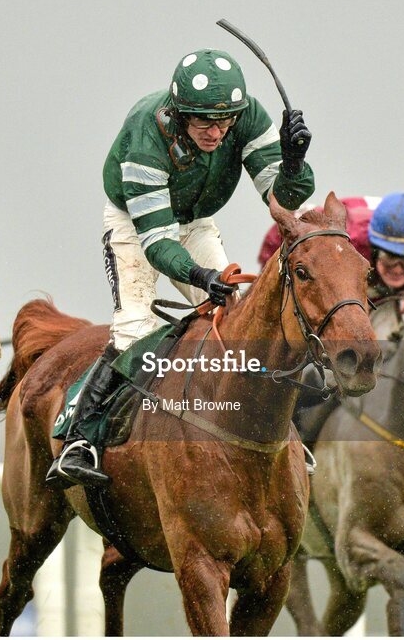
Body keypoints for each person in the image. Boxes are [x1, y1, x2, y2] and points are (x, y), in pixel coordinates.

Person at [48, 49, 315, 489]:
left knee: (240, 321)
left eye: (225, 121)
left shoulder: (245, 118)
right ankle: (82, 438)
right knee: (137, 327)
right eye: (203, 122)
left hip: (194, 221)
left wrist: (292, 164)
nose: (216, 132)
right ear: (178, 113)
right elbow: (156, 242)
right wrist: (201, 277)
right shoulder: (145, 134)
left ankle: (280, 435)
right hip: (138, 225)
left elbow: (284, 204)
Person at [258, 192, 404, 301]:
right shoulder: (349, 240)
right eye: (391, 257)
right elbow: (282, 231)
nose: (397, 268)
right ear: (374, 247)